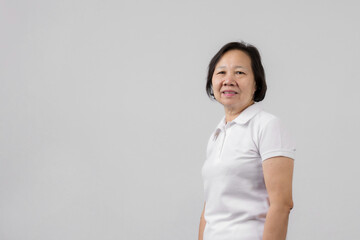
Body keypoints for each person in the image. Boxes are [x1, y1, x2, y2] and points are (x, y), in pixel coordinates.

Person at [198, 42, 296, 240]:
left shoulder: (267, 126)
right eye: (221, 72)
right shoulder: (217, 134)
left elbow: (282, 204)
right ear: (212, 81)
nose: (228, 80)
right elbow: (210, 207)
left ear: (257, 83)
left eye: (240, 73)